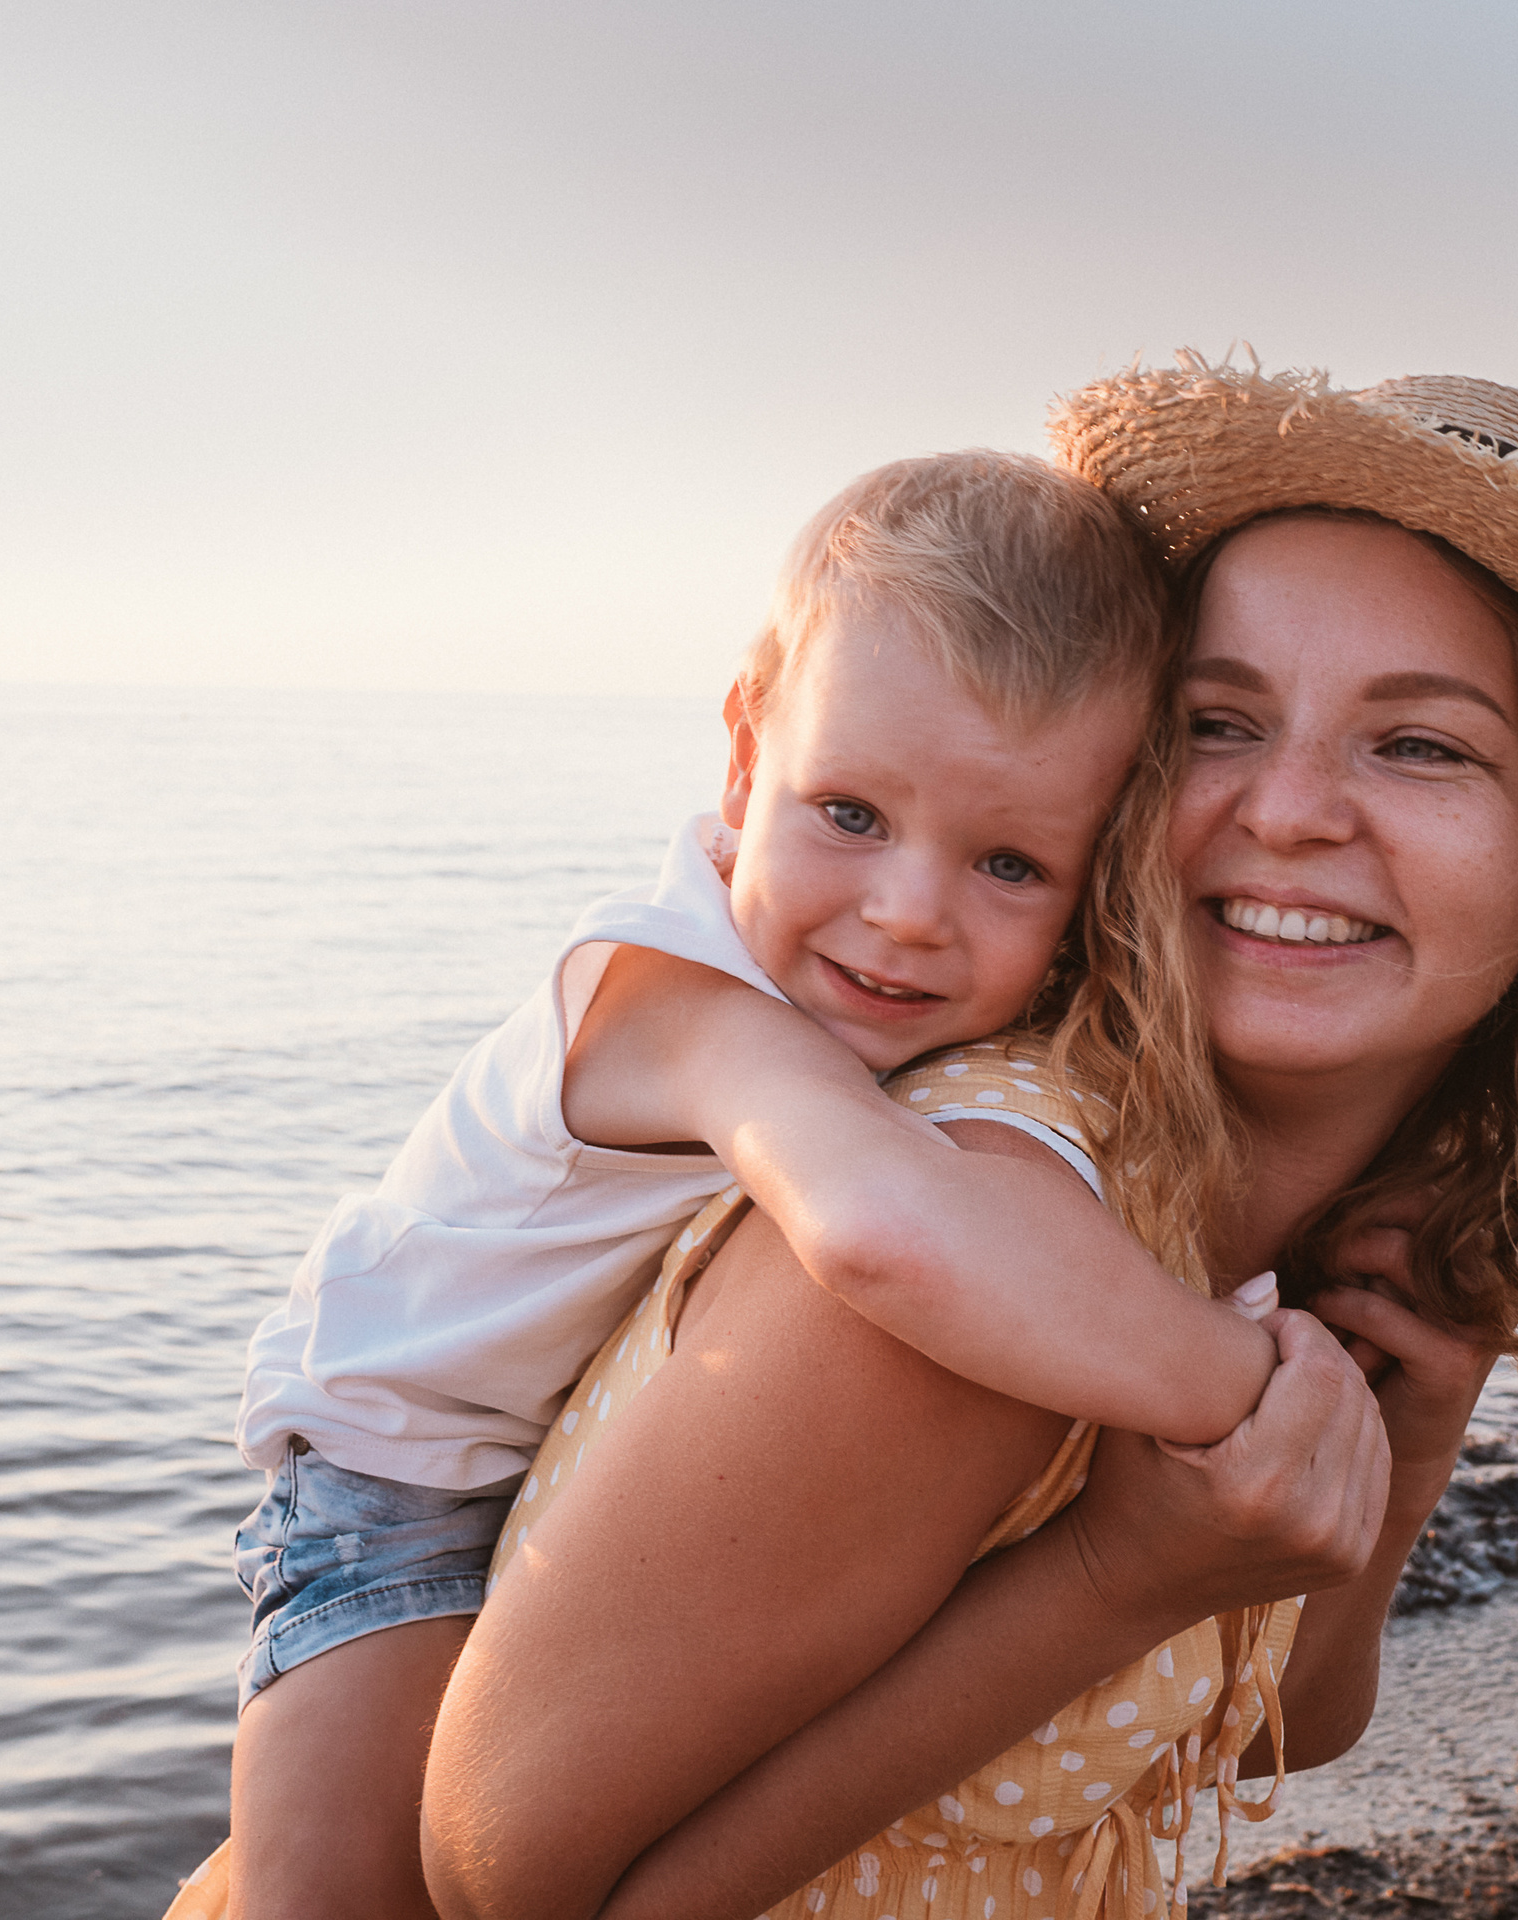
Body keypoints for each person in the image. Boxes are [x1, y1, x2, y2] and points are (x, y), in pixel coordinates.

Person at [414, 360, 1518, 1920]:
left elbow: (1283, 1722)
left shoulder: (1334, 1234)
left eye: (1421, 746)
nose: (1289, 810)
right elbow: (512, 1872)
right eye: (1219, 721)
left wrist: (1398, 1448)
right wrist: (1116, 1579)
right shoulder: (987, 1236)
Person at [205, 450, 1304, 1916]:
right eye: (848, 814)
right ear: (744, 750)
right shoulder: (674, 994)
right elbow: (880, 1234)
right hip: (386, 1491)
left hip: (538, 1488)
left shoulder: (900, 1010)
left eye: (1010, 866)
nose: (907, 916)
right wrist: (1249, 1388)